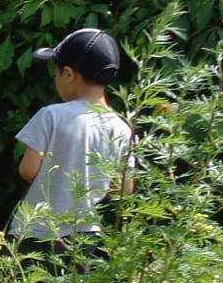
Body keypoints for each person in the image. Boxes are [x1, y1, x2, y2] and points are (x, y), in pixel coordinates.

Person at [9, 27, 134, 249]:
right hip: (87, 238)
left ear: (68, 74)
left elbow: (27, 170)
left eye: (56, 72)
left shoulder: (51, 115)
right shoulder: (122, 128)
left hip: (36, 232)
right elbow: (124, 189)